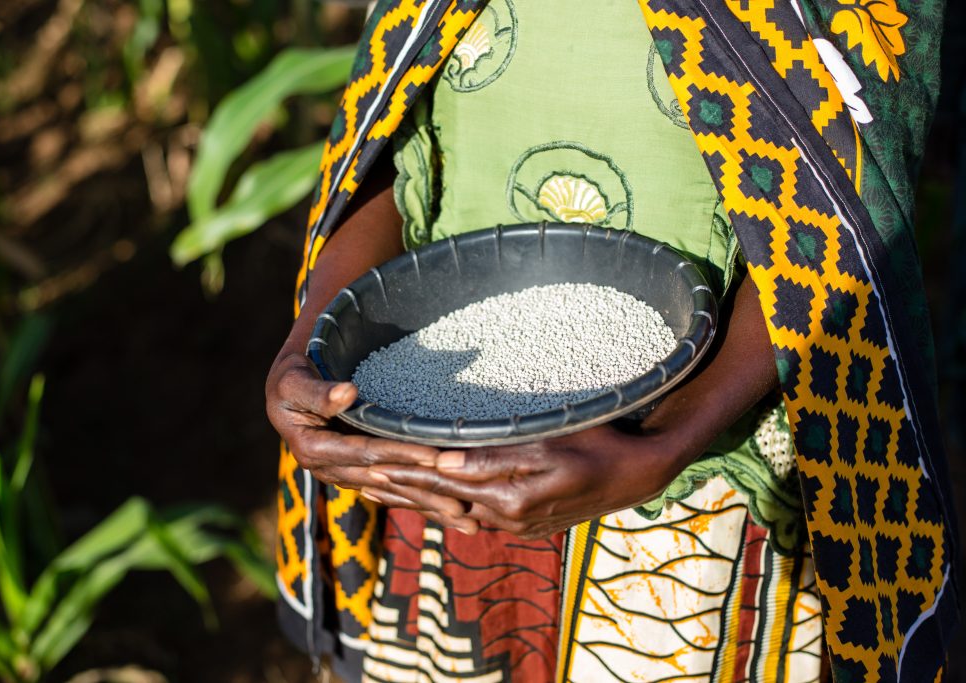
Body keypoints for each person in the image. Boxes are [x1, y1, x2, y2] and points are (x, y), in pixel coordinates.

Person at [266, 1, 957, 682]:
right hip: (440, 477)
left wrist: (666, 440)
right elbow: (385, 137)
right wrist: (317, 340)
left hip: (699, 503)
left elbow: (838, 211)